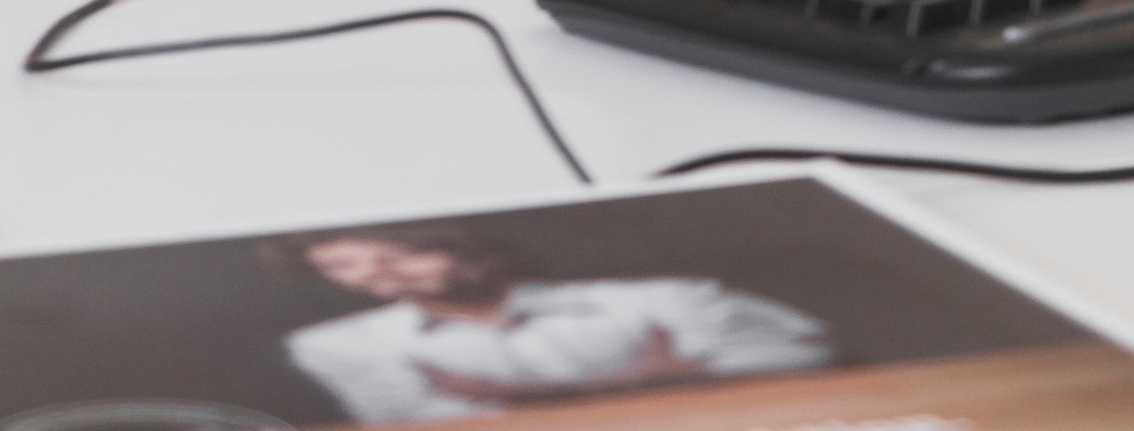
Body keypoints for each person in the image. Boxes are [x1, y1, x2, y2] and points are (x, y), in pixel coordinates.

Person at [284, 226, 829, 422]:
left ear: (467, 250)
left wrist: (527, 398)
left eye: (403, 251)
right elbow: (417, 423)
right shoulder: (334, 343)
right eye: (342, 265)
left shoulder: (665, 297)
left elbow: (802, 364)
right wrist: (655, 380)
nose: (375, 271)